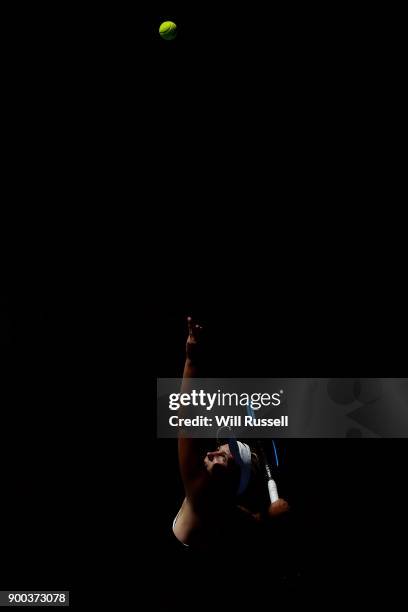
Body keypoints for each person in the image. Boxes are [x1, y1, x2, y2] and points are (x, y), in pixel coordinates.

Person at [173, 317, 290, 552]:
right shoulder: (227, 506)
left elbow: (185, 419)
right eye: (221, 452)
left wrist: (191, 361)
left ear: (231, 482)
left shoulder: (202, 490)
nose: (213, 452)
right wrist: (270, 515)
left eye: (223, 457)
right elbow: (254, 520)